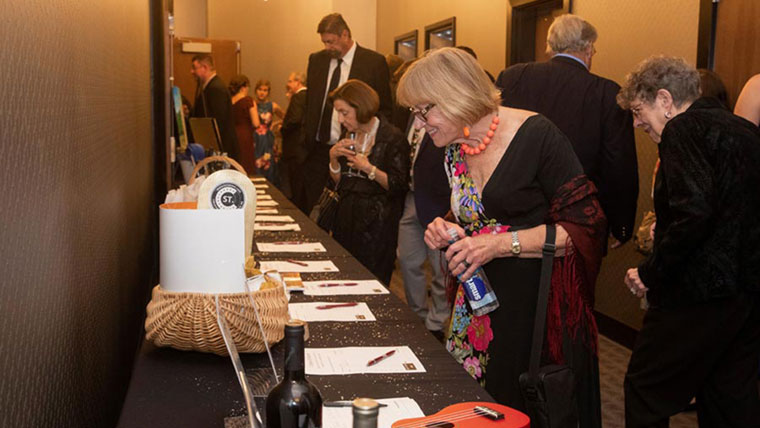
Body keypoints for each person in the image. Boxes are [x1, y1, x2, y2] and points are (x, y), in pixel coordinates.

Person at [397, 48, 606, 427]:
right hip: (476, 306)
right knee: (473, 408)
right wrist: (446, 227)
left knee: (515, 407)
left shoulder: (537, 136)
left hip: (531, 311)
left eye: (423, 110)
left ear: (453, 94)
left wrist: (496, 245)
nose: (419, 122)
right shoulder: (454, 149)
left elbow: (584, 229)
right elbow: (478, 215)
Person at [618, 56, 760, 428]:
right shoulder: (744, 131)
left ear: (664, 100)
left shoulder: (681, 130)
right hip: (746, 295)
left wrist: (650, 272)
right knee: (729, 396)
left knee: (645, 388)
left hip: (697, 293)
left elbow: (692, 214)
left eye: (637, 110)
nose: (635, 122)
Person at [496, 14, 637, 248]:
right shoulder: (606, 93)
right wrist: (620, 226)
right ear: (589, 48)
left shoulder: (512, 78)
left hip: (512, 218)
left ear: (550, 47)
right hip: (576, 224)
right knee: (573, 283)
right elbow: (619, 166)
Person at [300, 13, 393, 215]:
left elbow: (385, 108)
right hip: (316, 151)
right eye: (324, 42)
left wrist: (372, 144)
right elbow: (311, 104)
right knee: (314, 211)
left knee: (344, 212)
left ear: (345, 34)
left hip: (353, 150)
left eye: (331, 42)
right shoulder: (317, 60)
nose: (327, 47)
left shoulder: (373, 62)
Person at [327, 80, 409, 285]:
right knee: (343, 277)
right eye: (338, 113)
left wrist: (368, 168)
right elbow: (342, 182)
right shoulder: (349, 134)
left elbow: (398, 185)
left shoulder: (392, 137)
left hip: (377, 226)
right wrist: (333, 159)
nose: (340, 119)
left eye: (344, 112)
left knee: (373, 282)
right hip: (346, 220)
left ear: (361, 106)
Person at [397, 117, 451, 341]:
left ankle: (436, 324)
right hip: (411, 196)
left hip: (439, 202)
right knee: (408, 260)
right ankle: (417, 318)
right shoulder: (413, 114)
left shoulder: (442, 113)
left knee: (441, 269)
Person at [190, 54, 240, 162]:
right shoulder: (210, 87)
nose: (191, 72)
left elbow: (218, 122)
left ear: (205, 68)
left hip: (221, 150)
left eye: (194, 67)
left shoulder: (216, 88)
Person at [281, 72, 309, 206]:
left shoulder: (298, 97)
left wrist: (283, 128)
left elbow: (295, 119)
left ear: (298, 82)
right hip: (303, 149)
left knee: (294, 186)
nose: (288, 84)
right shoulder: (310, 96)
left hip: (294, 147)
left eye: (290, 81)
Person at [252, 79, 284, 185]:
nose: (262, 92)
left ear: (268, 92)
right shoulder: (252, 105)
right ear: (256, 90)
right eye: (260, 89)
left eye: (265, 90)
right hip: (255, 139)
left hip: (267, 139)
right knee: (255, 163)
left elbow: (287, 118)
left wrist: (275, 125)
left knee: (268, 164)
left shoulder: (273, 106)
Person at [229, 74, 260, 174]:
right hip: (245, 134)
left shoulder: (229, 101)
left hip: (232, 134)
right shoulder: (248, 101)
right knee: (246, 162)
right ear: (243, 87)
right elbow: (256, 123)